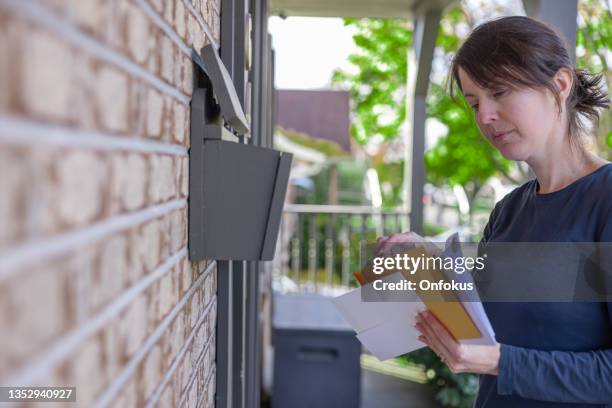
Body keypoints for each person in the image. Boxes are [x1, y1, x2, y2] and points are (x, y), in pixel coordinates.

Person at [376, 16, 612, 407]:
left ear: (560, 84)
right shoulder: (509, 210)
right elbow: (482, 325)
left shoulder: (605, 200)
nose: (484, 116)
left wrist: (502, 362)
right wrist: (422, 260)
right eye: (474, 103)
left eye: (499, 92)